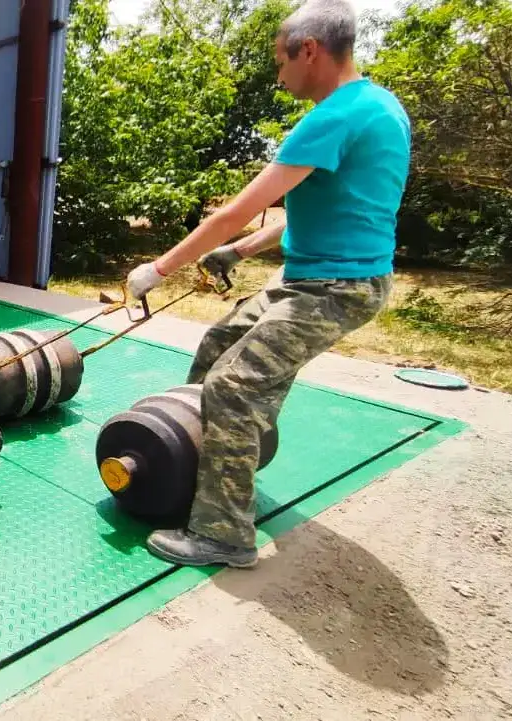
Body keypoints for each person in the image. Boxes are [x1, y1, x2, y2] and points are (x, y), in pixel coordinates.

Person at [124, 0, 411, 569]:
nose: (279, 76)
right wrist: (243, 249)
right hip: (317, 279)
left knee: (234, 387)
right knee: (218, 345)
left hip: (332, 289)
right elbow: (325, 209)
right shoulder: (380, 106)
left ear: (310, 51)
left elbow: (234, 210)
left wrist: (158, 269)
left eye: (281, 61)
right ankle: (210, 468)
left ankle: (224, 535)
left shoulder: (331, 117)